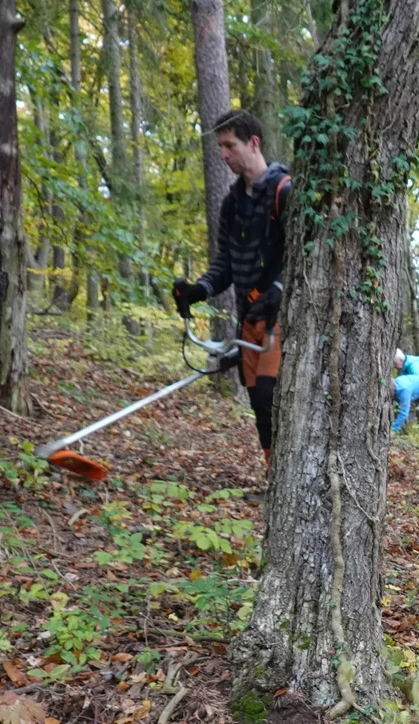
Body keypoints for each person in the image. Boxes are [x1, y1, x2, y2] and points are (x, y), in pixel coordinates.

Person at [170, 109, 291, 470]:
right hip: (248, 320)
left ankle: (285, 480)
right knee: (258, 404)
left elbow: (301, 255)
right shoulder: (231, 203)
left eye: (229, 145)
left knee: (272, 399)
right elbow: (224, 263)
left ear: (253, 143)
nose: (223, 155)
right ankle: (275, 482)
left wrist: (280, 288)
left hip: (279, 320)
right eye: (220, 146)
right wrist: (200, 290)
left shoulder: (284, 191)